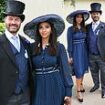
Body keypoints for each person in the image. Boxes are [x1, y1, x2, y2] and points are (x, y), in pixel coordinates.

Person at [24, 14, 73, 105]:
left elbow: (65, 70)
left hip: (55, 84)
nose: (44, 30)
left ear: (51, 30)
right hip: (37, 86)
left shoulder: (59, 47)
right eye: (41, 27)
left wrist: (68, 92)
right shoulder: (32, 47)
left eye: (47, 27)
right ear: (38, 30)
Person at [0, 0, 33, 105]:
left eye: (17, 19)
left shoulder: (26, 43)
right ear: (5, 20)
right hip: (6, 97)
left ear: (20, 22)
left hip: (25, 96)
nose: (13, 22)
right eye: (10, 19)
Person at [66, 10, 89, 102]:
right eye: (77, 17)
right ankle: (78, 91)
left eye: (81, 17)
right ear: (74, 18)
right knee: (78, 70)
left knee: (83, 69)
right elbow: (69, 43)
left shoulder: (84, 28)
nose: (79, 18)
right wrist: (70, 55)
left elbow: (86, 40)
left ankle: (81, 84)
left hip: (84, 50)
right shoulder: (70, 29)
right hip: (76, 51)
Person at [86, 3, 105, 98]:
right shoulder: (87, 27)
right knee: (93, 72)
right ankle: (96, 85)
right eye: (93, 13)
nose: (95, 15)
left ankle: (104, 89)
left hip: (102, 55)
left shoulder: (104, 26)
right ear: (91, 15)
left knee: (104, 73)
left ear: (100, 14)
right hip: (91, 55)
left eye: (97, 13)